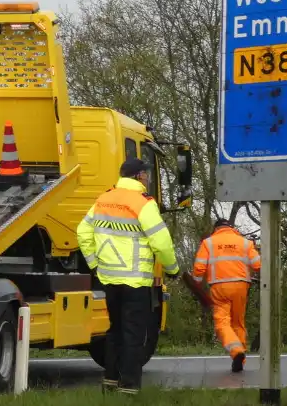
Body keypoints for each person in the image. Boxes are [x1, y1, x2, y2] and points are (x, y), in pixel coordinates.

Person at [77, 157, 180, 395]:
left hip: (109, 280)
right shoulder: (143, 203)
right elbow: (161, 242)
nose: (148, 178)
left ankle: (110, 381)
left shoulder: (104, 198)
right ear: (138, 176)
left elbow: (83, 232)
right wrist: (172, 268)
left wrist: (95, 264)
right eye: (146, 174)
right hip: (136, 281)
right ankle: (129, 387)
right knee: (133, 334)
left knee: (114, 330)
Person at [192, 218, 261, 372]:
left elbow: (199, 268)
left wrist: (196, 284)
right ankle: (240, 358)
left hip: (219, 287)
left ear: (216, 229)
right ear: (231, 228)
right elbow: (258, 264)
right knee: (238, 322)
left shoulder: (208, 243)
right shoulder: (245, 243)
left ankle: (236, 352)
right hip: (241, 285)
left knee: (222, 322)